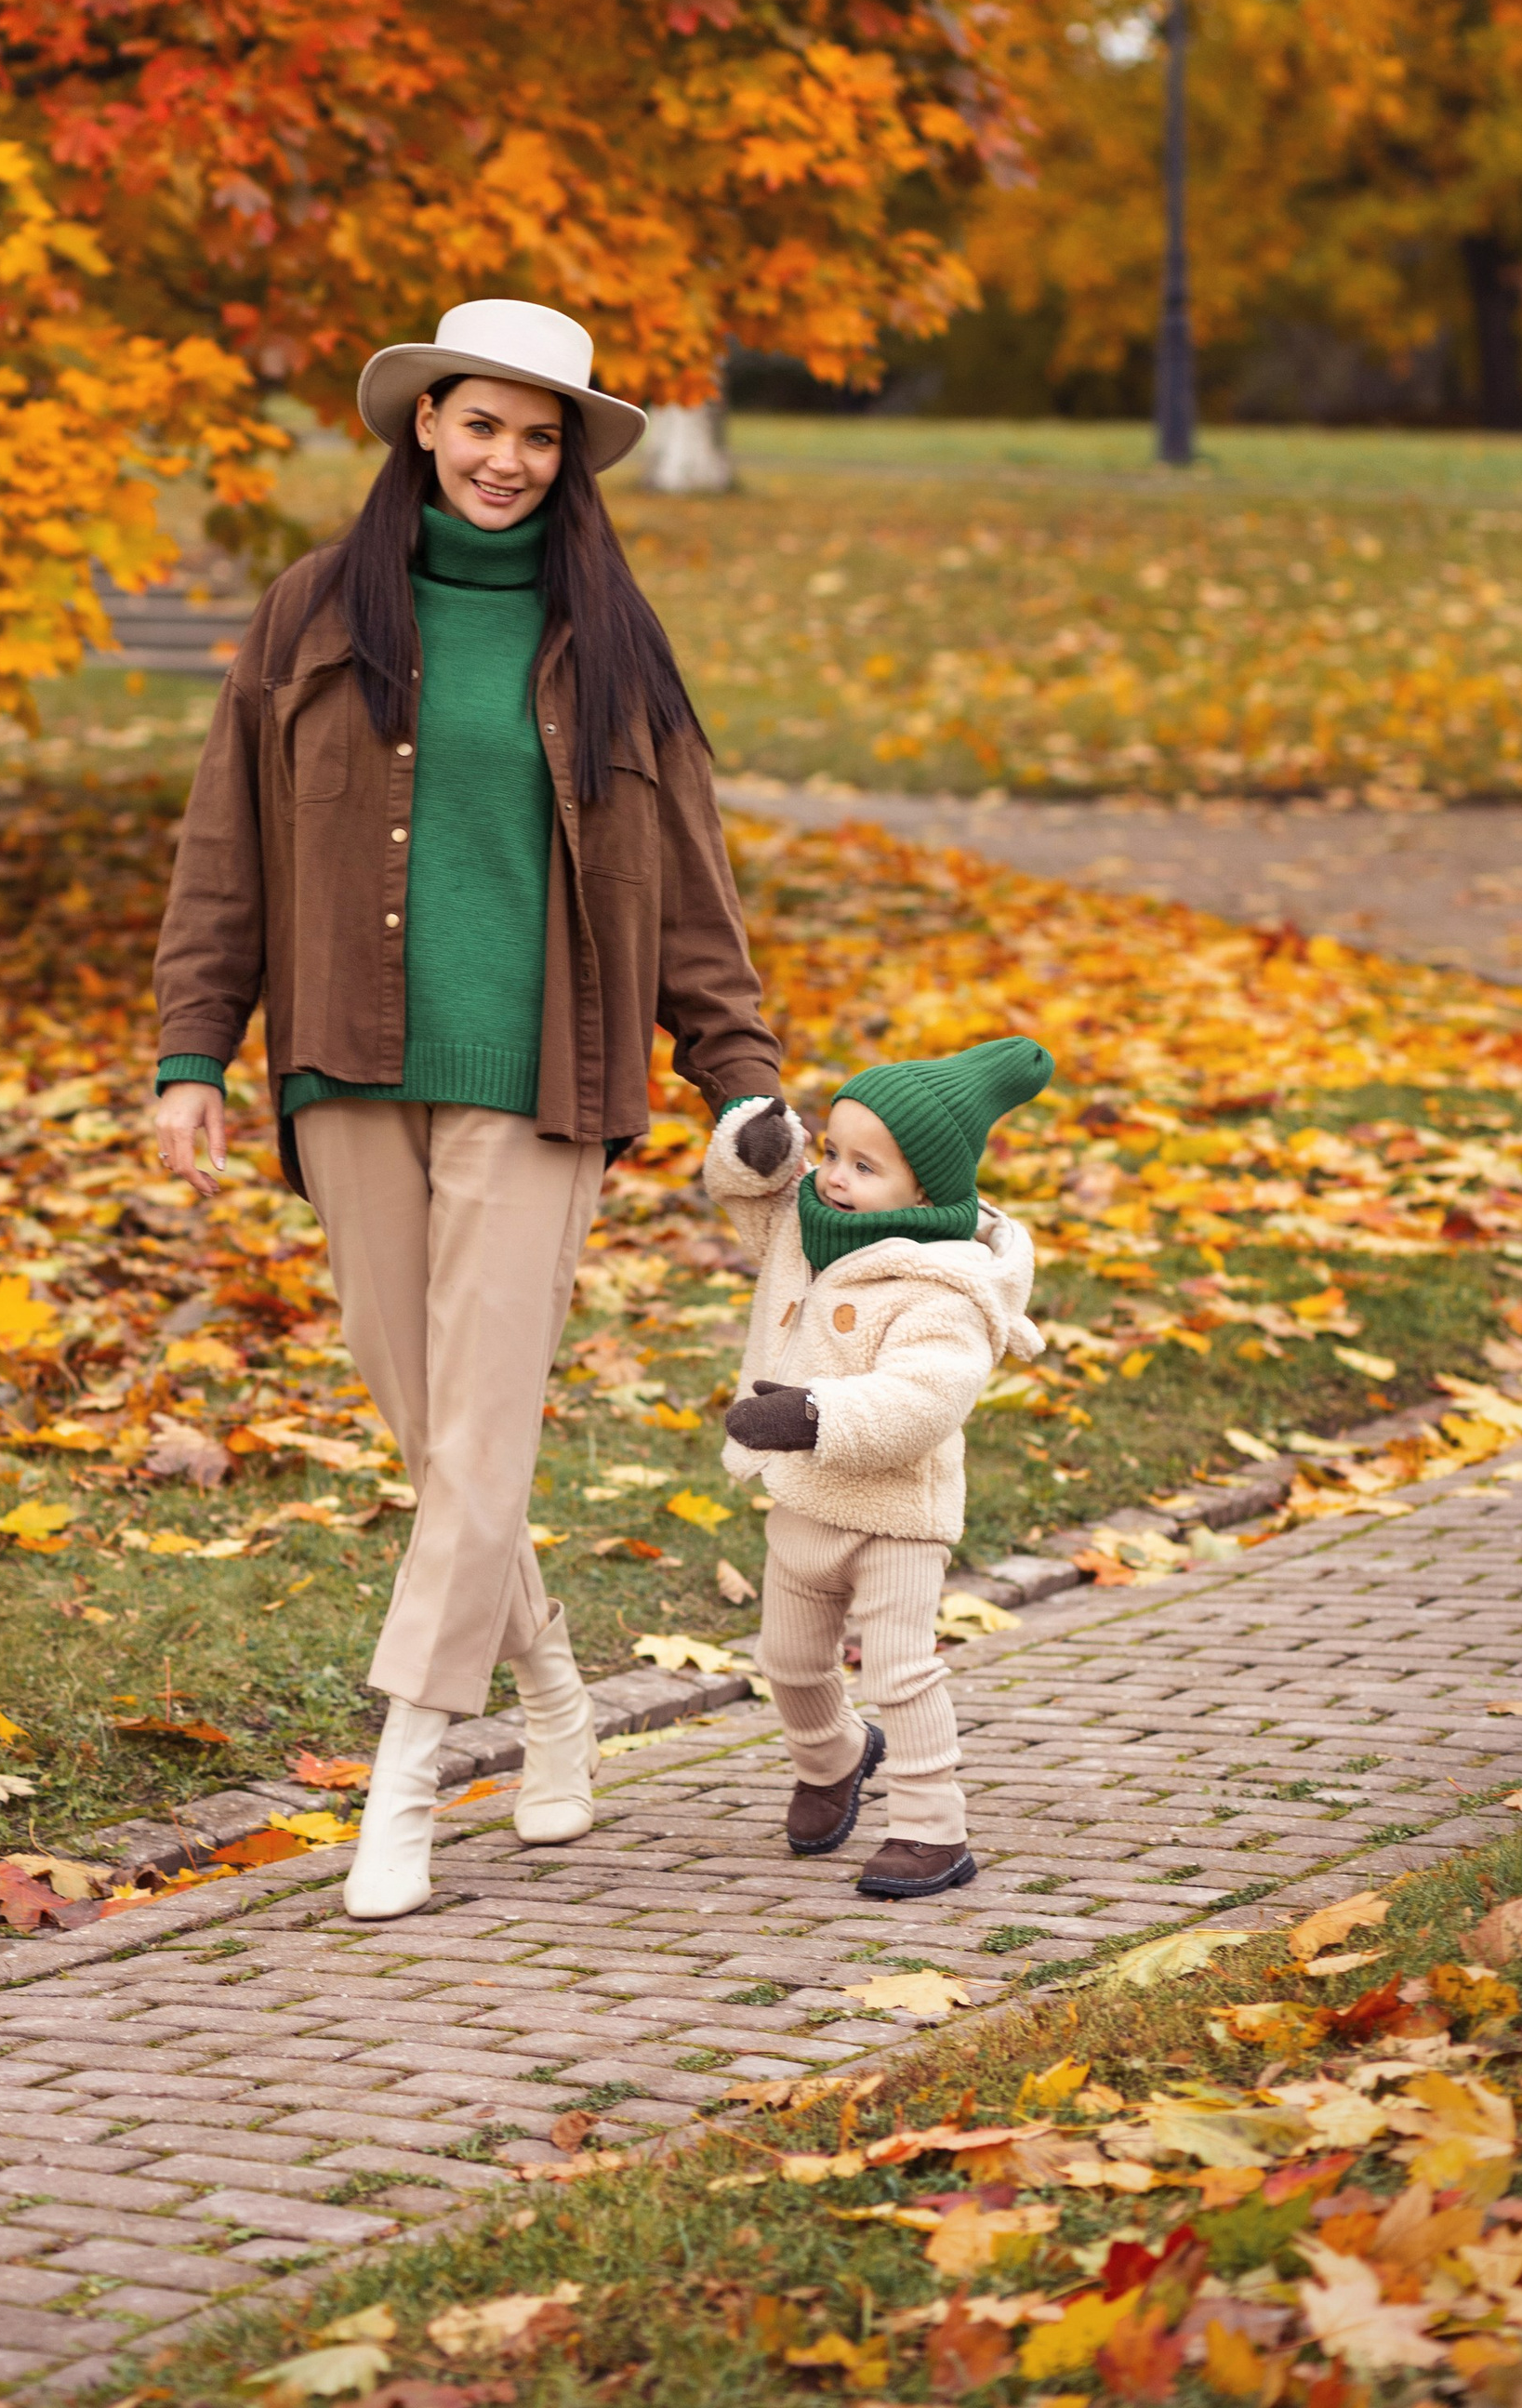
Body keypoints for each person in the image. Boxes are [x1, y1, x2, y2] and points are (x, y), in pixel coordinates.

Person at [152, 298, 784, 1920]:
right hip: (346, 1075)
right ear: (423, 423)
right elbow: (224, 844)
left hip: (540, 1085)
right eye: (482, 422)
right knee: (445, 1446)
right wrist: (190, 1050)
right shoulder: (311, 614)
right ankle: (559, 1691)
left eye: (539, 431)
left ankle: (409, 1778)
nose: (507, 457)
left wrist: (743, 1074)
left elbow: (691, 889)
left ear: (568, 454)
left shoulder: (616, 643)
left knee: (483, 1429)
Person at [705, 1037, 1052, 1898]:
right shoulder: (811, 1228)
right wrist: (760, 1154)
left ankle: (934, 1831)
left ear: (925, 1188)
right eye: (832, 1151)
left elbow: (925, 1399)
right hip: (805, 1499)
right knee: (786, 1660)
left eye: (865, 1165)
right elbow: (753, 1201)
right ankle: (834, 1757)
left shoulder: (945, 1287)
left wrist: (811, 1415)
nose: (834, 1176)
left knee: (900, 1670)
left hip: (897, 1513)